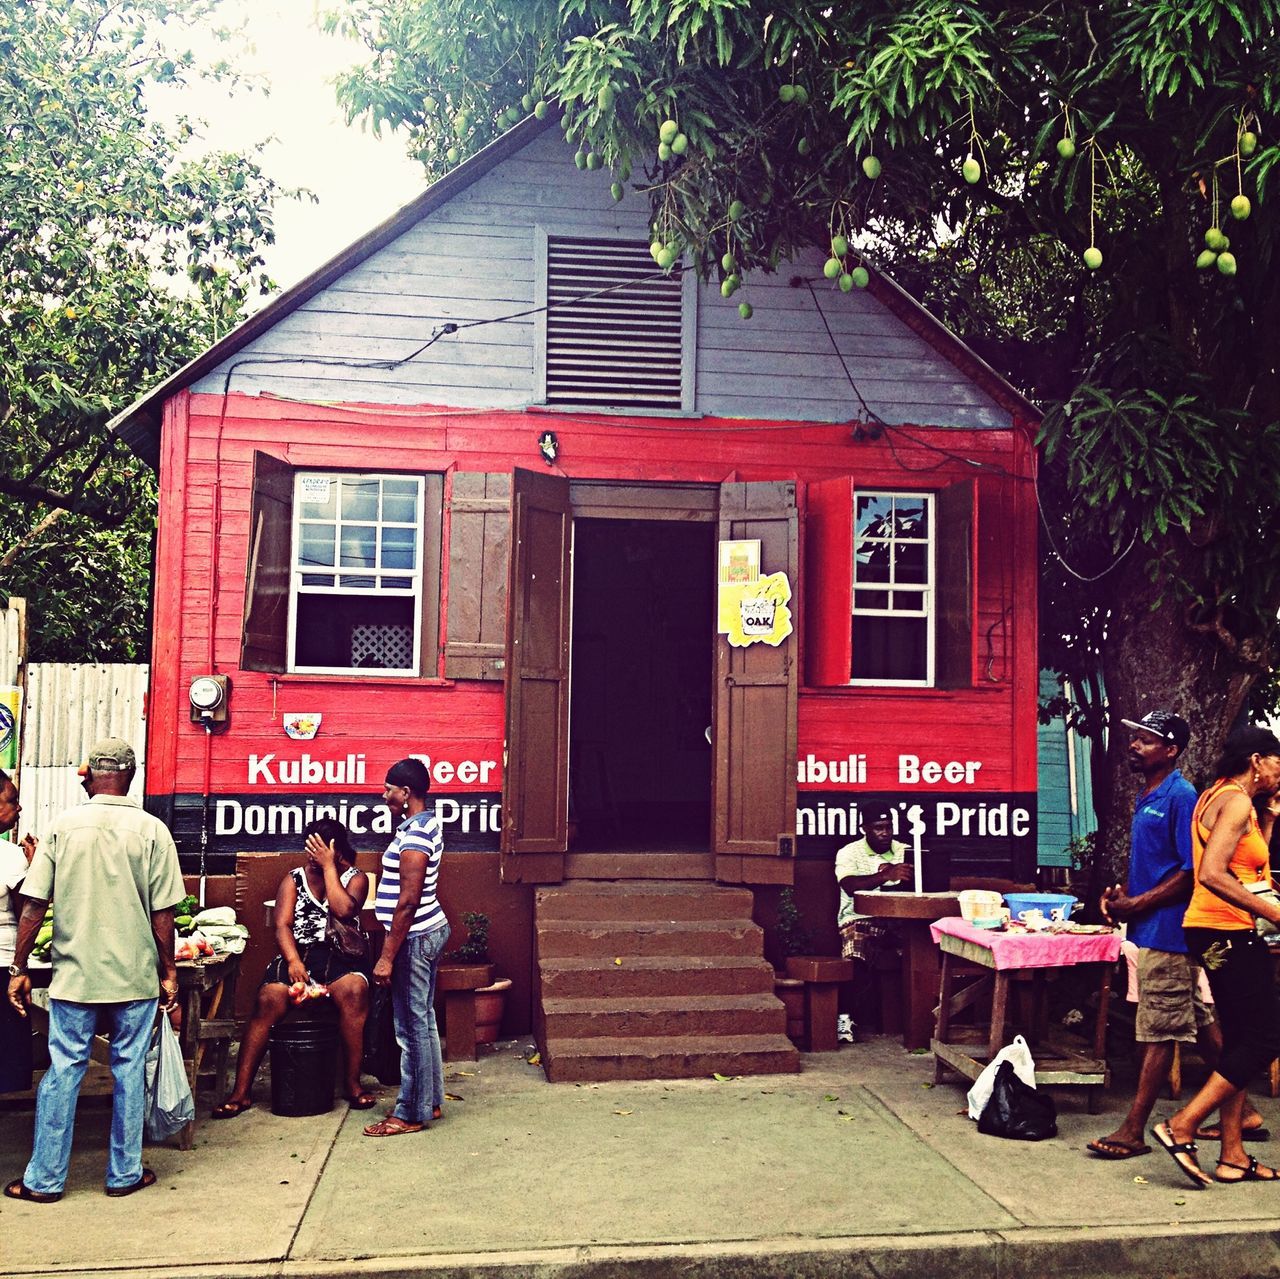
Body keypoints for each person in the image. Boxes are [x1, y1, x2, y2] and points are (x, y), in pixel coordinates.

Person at [4, 739, 185, 1203]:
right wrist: (168, 972)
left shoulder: (61, 828)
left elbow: (32, 906)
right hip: (134, 975)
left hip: (75, 975)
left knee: (64, 1070)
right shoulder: (152, 831)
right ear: (131, 776)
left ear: (89, 776)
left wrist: (19, 966)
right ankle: (123, 1174)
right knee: (128, 1070)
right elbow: (163, 915)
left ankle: (44, 1180)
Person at [1087, 711, 1262, 1158]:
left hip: (1173, 931)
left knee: (1161, 1030)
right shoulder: (1149, 794)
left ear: (1171, 750)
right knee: (1201, 1021)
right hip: (1155, 926)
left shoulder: (1182, 796)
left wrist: (1139, 905)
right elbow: (1162, 866)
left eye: (1146, 740)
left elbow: (1192, 873)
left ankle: (1134, 1130)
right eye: (1135, 739)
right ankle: (1245, 1113)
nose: (1135, 746)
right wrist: (1126, 896)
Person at [1152, 725, 1280, 1188]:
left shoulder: (1217, 795)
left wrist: (1269, 819)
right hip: (1224, 931)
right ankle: (1182, 1124)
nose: (1279, 774)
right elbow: (1211, 873)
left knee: (1243, 1040)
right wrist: (1274, 914)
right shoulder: (1237, 800)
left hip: (1212, 930)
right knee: (1266, 1040)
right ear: (1258, 760)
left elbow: (1248, 865)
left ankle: (1232, 1156)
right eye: (1278, 764)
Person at [213, 818, 373, 1118]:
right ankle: (241, 1092)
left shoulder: (355, 878)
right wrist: (294, 961)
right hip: (299, 953)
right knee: (268, 997)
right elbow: (282, 925)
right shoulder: (294, 879)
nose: (311, 856)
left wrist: (329, 868)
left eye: (319, 849)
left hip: (341, 957)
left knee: (354, 991)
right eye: (309, 849)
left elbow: (343, 910)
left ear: (335, 850)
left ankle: (353, 1084)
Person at [362, 757, 449, 1137]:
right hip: (426, 931)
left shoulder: (414, 834)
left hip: (414, 937)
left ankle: (410, 1113)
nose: (385, 796)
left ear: (406, 792)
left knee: (410, 1027)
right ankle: (429, 1101)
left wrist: (386, 956)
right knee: (423, 1020)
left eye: (389, 790)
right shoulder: (425, 824)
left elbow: (408, 900)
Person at [835, 805, 910, 1036]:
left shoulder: (905, 850)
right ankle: (845, 1020)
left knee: (923, 948)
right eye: (878, 828)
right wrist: (885, 875)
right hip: (859, 919)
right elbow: (848, 886)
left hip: (899, 920)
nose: (885, 833)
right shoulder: (849, 852)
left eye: (889, 827)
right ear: (864, 829)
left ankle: (921, 1023)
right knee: (854, 952)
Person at [0, 769, 38, 1093]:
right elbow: (28, 910)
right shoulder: (9, 856)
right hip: (4, 965)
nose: (19, 808)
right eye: (12, 801)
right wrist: (35, 864)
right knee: (10, 1065)